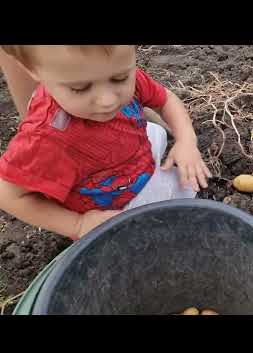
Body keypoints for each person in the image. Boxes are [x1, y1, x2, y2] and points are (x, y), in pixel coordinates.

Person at [0, 45, 211, 240]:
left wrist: (186, 140)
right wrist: (77, 224)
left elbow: (165, 99)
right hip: (112, 209)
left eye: (120, 78)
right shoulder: (45, 140)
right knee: (183, 195)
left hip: (131, 155)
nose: (108, 100)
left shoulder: (102, 69)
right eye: (80, 88)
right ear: (33, 70)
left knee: (157, 133)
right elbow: (8, 195)